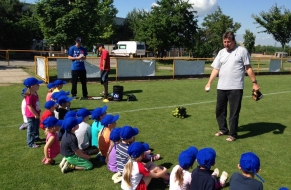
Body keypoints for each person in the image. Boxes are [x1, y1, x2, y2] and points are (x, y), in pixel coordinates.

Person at [205, 31, 260, 142]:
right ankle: (223, 129)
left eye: (228, 42)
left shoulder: (242, 51)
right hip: (221, 87)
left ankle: (233, 134)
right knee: (219, 110)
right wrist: (209, 82)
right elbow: (216, 69)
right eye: (224, 42)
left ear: (233, 41)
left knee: (233, 112)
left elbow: (248, 68)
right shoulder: (221, 52)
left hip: (236, 87)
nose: (226, 44)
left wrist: (254, 83)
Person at [23, 77, 43, 148]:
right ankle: (30, 143)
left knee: (36, 127)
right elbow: (29, 106)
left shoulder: (35, 93)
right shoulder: (29, 96)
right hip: (32, 115)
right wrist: (35, 114)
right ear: (32, 86)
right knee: (31, 129)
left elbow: (36, 104)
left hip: (36, 114)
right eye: (37, 84)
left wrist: (38, 110)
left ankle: (36, 138)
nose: (39, 85)